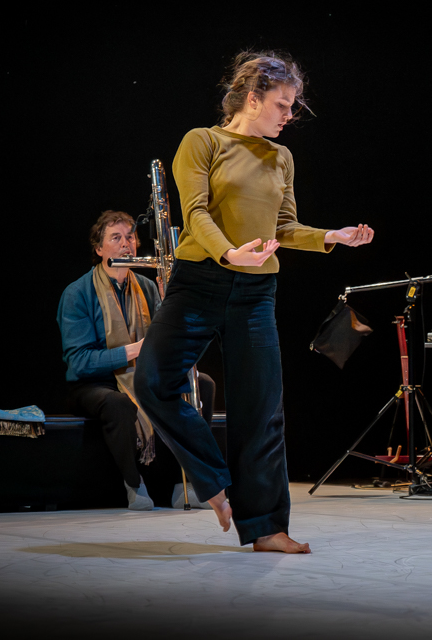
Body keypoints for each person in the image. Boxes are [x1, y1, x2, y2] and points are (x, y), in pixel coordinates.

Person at [133, 51, 374, 553]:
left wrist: (334, 236)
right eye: (282, 105)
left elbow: (284, 228)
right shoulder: (203, 142)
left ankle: (266, 527)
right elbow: (194, 213)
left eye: (292, 107)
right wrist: (227, 253)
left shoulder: (281, 156)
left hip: (256, 292)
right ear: (252, 98)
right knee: (153, 380)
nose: (289, 116)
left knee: (261, 409)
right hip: (199, 282)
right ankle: (215, 481)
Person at [57, 210, 215, 510]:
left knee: (201, 383)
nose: (126, 244)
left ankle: (187, 482)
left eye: (130, 237)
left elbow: (169, 340)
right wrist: (134, 350)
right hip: (96, 383)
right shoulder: (78, 293)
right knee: (119, 403)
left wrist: (173, 300)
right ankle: (134, 484)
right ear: (99, 249)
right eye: (115, 238)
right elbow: (79, 363)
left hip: (144, 373)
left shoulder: (147, 286)